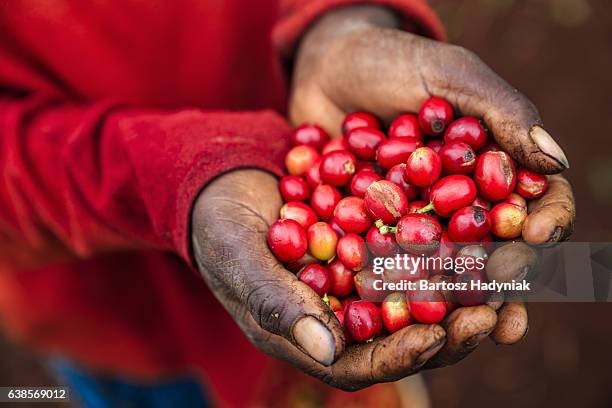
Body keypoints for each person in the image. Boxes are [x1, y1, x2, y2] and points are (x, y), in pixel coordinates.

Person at [0, 1, 575, 407]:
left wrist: (343, 19)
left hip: (288, 146)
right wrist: (168, 178)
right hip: (115, 314)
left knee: (351, 355)